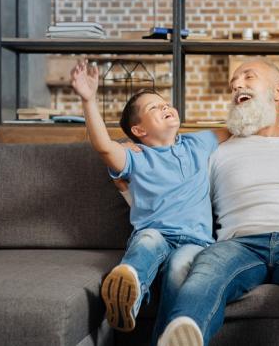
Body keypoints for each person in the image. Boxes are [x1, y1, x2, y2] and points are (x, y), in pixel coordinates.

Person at [155, 58, 279, 346]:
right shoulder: (217, 152)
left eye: (248, 77)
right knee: (205, 273)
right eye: (233, 84)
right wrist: (133, 153)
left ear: (278, 92)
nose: (236, 84)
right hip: (238, 243)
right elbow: (173, 189)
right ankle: (183, 332)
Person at [70, 60, 230, 333]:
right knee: (146, 240)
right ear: (139, 131)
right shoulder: (136, 156)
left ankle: (167, 337)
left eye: (165, 103)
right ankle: (128, 295)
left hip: (196, 241)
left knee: (181, 268)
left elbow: (236, 127)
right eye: (154, 108)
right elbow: (104, 147)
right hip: (155, 232)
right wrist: (89, 100)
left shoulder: (198, 143)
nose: (165, 107)